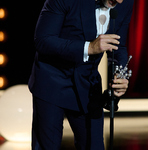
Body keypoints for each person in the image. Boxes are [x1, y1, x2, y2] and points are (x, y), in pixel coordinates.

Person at [28, 0, 134, 149]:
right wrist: (89, 48)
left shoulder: (125, 3)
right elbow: (43, 40)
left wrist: (119, 75)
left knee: (94, 146)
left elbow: (118, 45)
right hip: (52, 81)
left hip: (87, 83)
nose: (119, 1)